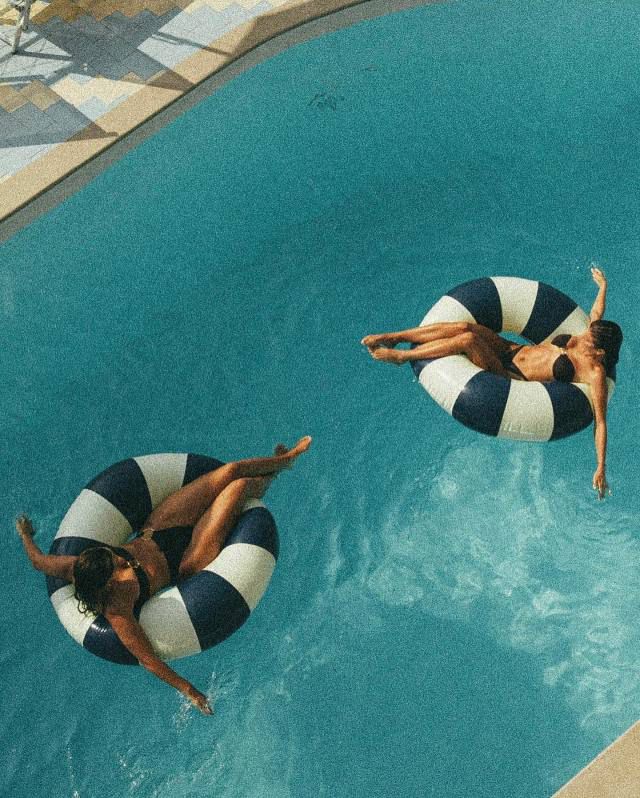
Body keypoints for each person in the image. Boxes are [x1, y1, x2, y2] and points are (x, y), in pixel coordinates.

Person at [16, 436, 313, 714]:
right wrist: (190, 691)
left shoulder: (76, 564)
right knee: (239, 489)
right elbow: (148, 659)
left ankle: (285, 461)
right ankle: (272, 476)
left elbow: (38, 561)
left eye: (112, 555)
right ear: (106, 584)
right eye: (116, 569)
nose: (120, 562)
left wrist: (26, 535)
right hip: (186, 561)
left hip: (159, 528)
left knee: (230, 471)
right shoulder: (118, 610)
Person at [362, 268, 622, 499]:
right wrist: (603, 286)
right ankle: (393, 336)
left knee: (467, 340)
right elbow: (597, 312)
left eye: (589, 338)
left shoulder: (594, 373)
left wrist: (601, 467)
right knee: (466, 326)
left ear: (600, 352)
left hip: (507, 374)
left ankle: (401, 356)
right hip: (510, 348)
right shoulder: (590, 333)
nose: (583, 335)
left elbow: (600, 422)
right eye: (588, 330)